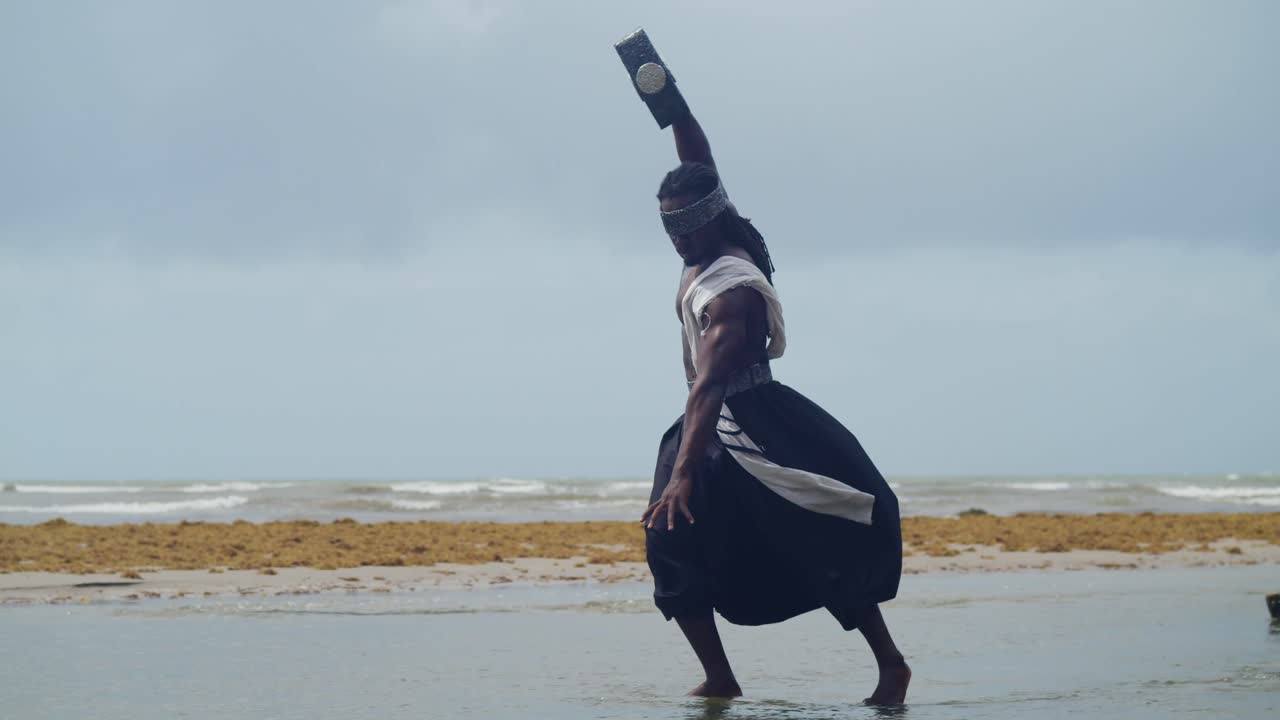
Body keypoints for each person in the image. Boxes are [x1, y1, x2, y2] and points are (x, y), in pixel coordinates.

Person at [641, 112, 910, 705]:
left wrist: (683, 474)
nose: (680, 242)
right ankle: (721, 676)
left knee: (816, 537)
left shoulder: (731, 291)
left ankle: (891, 665)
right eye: (670, 232)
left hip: (751, 426)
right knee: (668, 541)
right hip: (704, 425)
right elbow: (698, 153)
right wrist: (664, 95)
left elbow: (709, 387)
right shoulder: (712, 226)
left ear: (712, 218)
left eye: (687, 230)